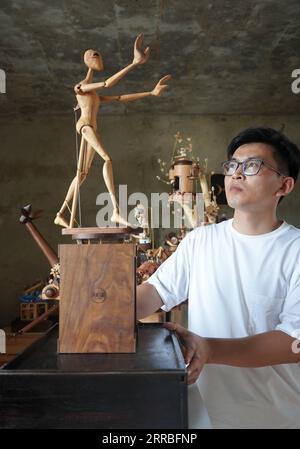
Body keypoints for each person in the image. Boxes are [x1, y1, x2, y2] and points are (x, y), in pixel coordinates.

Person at [137, 127, 300, 429]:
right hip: (202, 413)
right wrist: (100, 309)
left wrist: (210, 348)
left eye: (252, 166)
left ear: (284, 185)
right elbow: (153, 292)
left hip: (274, 417)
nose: (236, 174)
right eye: (232, 166)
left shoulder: (295, 251)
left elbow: (294, 341)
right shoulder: (200, 240)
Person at [55, 34, 170, 228]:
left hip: (91, 128)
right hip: (84, 126)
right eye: (95, 55)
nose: (99, 59)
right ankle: (116, 211)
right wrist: (133, 64)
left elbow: (120, 98)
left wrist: (150, 92)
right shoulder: (81, 87)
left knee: (82, 174)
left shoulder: (94, 94)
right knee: (107, 159)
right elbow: (107, 83)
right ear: (88, 60)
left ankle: (60, 213)